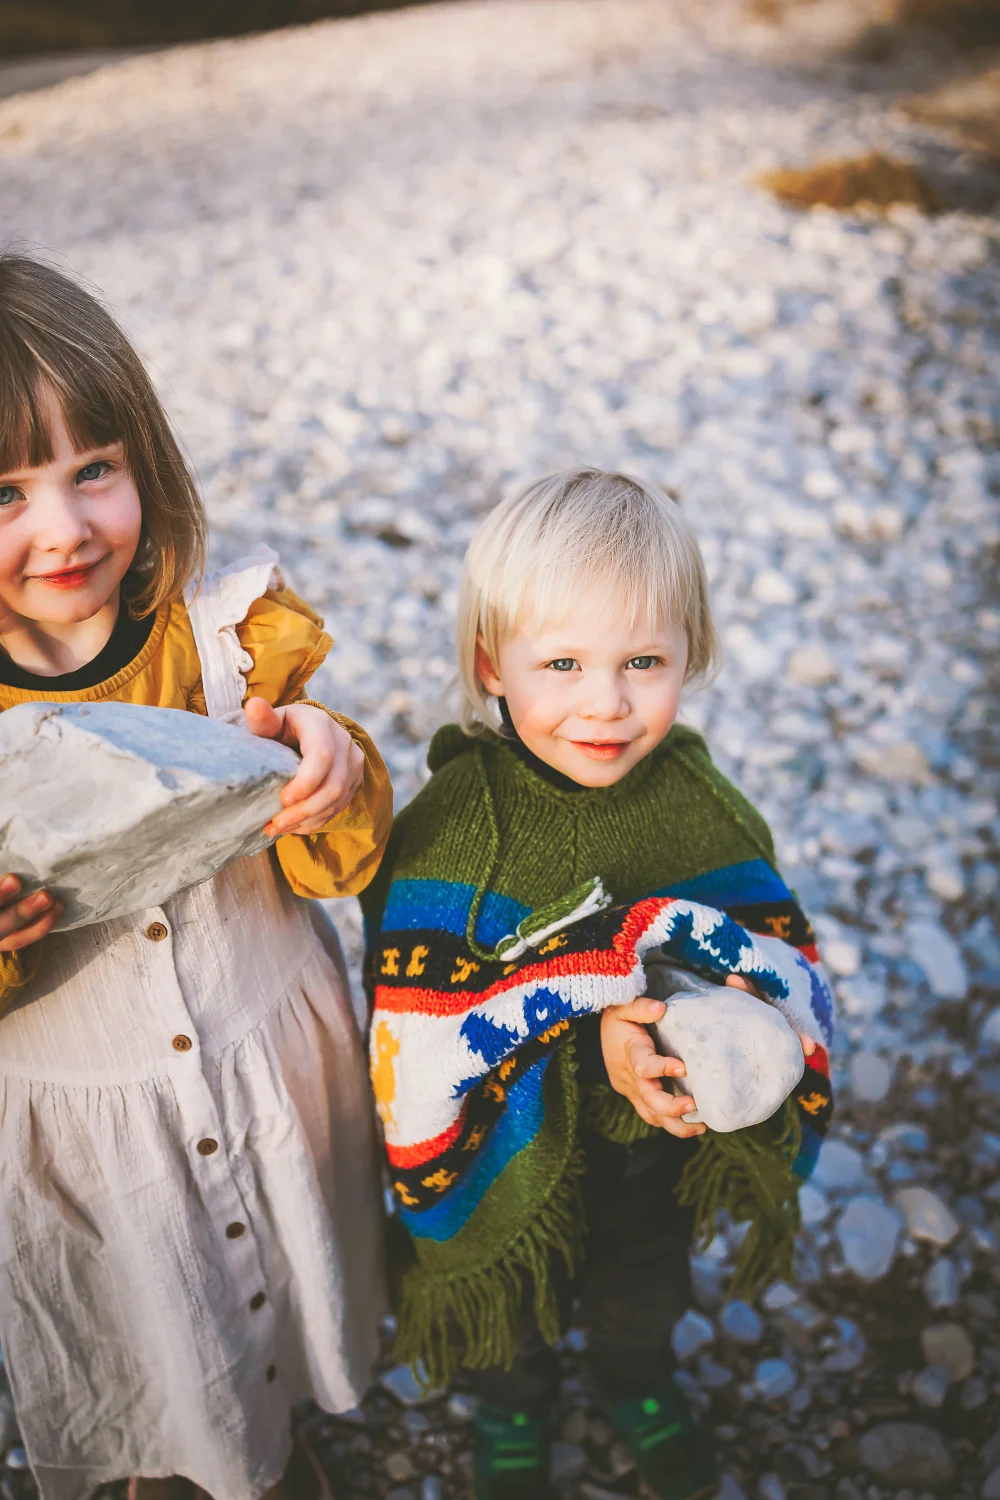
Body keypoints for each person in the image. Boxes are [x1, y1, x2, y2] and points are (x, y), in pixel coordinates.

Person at [0, 254, 392, 1500]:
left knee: (286, 1294)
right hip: (92, 1123)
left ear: (143, 465)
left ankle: (286, 1445)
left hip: (263, 1059)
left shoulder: (228, 644)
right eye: (2, 495)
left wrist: (330, 767)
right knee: (156, 1342)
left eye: (92, 471)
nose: (63, 528)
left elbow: (346, 859)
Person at [360, 469, 833, 1500]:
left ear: (689, 656)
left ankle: (636, 1380)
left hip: (653, 1147)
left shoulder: (697, 808)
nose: (605, 704)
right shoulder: (458, 828)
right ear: (493, 661)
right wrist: (587, 1022)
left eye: (643, 661)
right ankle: (512, 1405)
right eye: (563, 662)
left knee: (642, 1285)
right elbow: (425, 1020)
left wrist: (703, 1017)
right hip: (504, 1143)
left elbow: (765, 955)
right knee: (509, 1302)